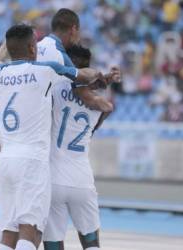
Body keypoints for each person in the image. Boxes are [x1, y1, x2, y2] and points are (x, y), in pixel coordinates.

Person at [0, 23, 108, 250]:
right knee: (30, 230)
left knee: (8, 230)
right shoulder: (45, 71)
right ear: (33, 48)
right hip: (32, 161)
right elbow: (84, 75)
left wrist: (10, 40)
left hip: (5, 160)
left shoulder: (0, 73)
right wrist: (103, 77)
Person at [43, 45, 113, 250]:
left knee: (53, 241)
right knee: (91, 242)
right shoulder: (98, 103)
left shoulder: (54, 88)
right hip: (82, 178)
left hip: (53, 176)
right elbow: (102, 116)